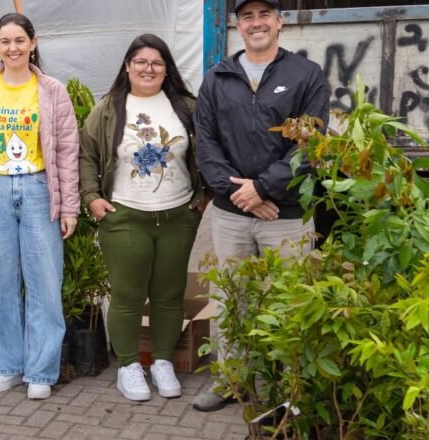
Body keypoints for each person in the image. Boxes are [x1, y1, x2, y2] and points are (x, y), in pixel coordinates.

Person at [192, 0, 330, 412]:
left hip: (286, 216)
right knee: (233, 299)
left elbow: (311, 147)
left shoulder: (305, 76)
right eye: (247, 16)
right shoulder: (217, 78)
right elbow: (206, 143)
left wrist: (265, 189)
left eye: (264, 15)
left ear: (280, 22)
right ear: (238, 25)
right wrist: (244, 196)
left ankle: (290, 390)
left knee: (290, 302)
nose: (256, 23)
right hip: (233, 214)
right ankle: (231, 380)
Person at [79, 34, 206, 402]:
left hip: (178, 215)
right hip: (124, 216)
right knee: (127, 296)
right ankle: (130, 366)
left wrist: (203, 199)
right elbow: (86, 155)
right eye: (141, 62)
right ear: (127, 66)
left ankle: (163, 361)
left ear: (166, 69)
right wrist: (92, 199)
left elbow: (210, 150)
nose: (148, 69)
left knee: (168, 295)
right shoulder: (107, 109)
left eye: (156, 63)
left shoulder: (186, 107)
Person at [0, 12, 78, 401]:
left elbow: (66, 150)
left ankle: (41, 369)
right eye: (4, 42)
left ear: (33, 42)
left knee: (44, 280)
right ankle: (5, 364)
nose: (12, 48)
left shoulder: (52, 90)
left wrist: (70, 207)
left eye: (19, 41)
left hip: (39, 189)